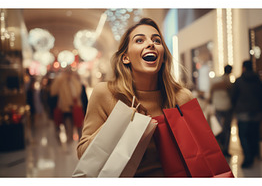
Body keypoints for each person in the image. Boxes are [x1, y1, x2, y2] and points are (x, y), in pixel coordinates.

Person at [77, 18, 194, 177]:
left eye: (156, 40)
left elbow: (199, 153)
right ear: (126, 57)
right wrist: (118, 122)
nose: (150, 44)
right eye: (139, 40)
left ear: (163, 57)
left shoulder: (182, 98)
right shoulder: (105, 93)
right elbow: (84, 155)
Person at [231, 60, 262, 168]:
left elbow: (233, 96)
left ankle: (248, 157)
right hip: (257, 111)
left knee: (243, 135)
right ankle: (253, 154)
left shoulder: (239, 81)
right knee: (254, 134)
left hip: (243, 111)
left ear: (244, 68)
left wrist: (235, 108)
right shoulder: (258, 80)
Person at [50, 67, 83, 143]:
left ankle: (80, 143)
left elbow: (78, 91)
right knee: (68, 127)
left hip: (76, 107)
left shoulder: (74, 81)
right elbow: (53, 91)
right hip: (66, 109)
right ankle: (69, 142)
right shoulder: (61, 81)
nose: (68, 75)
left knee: (79, 126)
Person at [209, 65, 233, 157]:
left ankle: (219, 148)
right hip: (228, 107)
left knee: (218, 129)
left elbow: (211, 93)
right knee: (226, 129)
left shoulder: (215, 81)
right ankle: (225, 149)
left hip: (217, 107)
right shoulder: (228, 81)